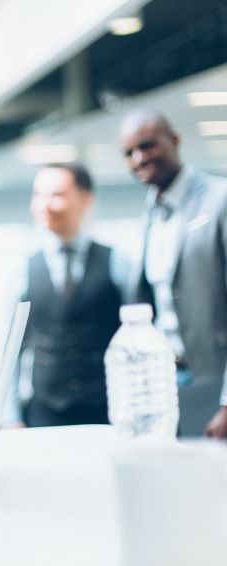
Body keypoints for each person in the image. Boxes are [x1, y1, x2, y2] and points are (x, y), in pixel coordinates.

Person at [119, 108, 227, 438]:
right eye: (128, 153)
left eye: (147, 145)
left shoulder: (219, 199)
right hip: (167, 391)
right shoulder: (149, 217)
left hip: (216, 386)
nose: (139, 158)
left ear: (175, 141)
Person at [4, 163, 125, 428]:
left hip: (109, 415)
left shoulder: (118, 262)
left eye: (56, 195)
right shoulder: (23, 270)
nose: (44, 205)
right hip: (44, 416)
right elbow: (10, 352)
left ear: (85, 200)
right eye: (38, 195)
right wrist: (11, 417)